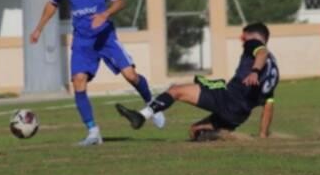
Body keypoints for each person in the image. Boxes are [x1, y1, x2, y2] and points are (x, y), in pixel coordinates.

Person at [30, 0, 165, 146]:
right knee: (78, 82)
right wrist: (39, 28)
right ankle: (93, 131)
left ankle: (152, 105)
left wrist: (106, 13)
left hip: (105, 38)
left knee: (131, 75)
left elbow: (120, 1)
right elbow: (52, 3)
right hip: (82, 42)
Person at [116, 22, 279, 140]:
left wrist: (255, 71)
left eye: (245, 37)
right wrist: (263, 134)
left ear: (256, 37)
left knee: (175, 90)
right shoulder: (274, 70)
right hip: (238, 115)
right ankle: (226, 138)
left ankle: (141, 116)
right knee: (195, 131)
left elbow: (261, 53)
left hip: (227, 99)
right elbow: (268, 104)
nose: (243, 40)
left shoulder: (255, 44)